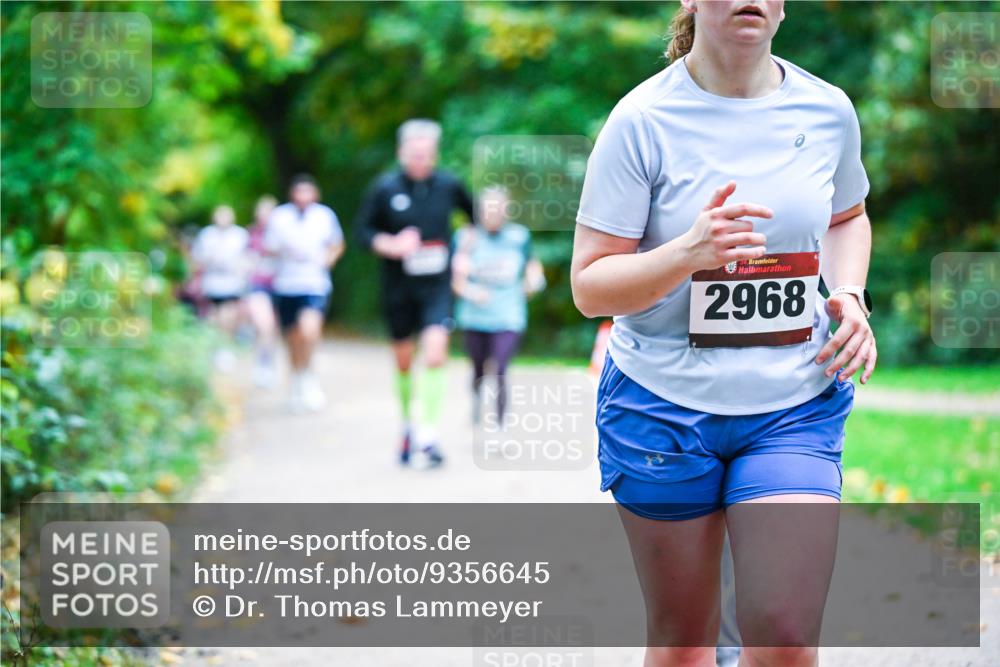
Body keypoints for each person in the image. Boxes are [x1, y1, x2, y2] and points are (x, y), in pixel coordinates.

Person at [570, 2, 876, 666]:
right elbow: (590, 285)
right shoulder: (641, 120)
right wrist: (687, 253)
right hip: (660, 406)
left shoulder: (827, 111)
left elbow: (848, 217)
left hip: (794, 403)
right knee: (685, 639)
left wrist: (848, 292)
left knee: (784, 634)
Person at [356, 119, 474, 467]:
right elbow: (362, 232)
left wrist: (463, 253)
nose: (420, 160)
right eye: (414, 154)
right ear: (401, 153)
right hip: (398, 287)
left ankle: (429, 435)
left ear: (435, 155)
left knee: (436, 353)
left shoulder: (449, 185)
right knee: (404, 361)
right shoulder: (384, 188)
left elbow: (475, 219)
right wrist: (390, 244)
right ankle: (407, 424)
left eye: (426, 154)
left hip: (436, 285)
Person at [452, 186, 545, 425]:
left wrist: (533, 282)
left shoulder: (519, 237)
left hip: (508, 315)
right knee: (479, 369)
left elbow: (532, 267)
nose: (492, 215)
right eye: (487, 209)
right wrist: (473, 292)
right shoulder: (466, 237)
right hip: (476, 316)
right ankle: (475, 399)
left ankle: (500, 426)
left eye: (498, 209)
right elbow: (457, 281)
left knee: (500, 368)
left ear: (506, 210)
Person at [266, 174, 345, 412]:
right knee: (293, 338)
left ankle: (310, 377)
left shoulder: (324, 216)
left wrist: (326, 262)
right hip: (287, 284)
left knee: (310, 331)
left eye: (307, 192)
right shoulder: (279, 217)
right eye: (298, 192)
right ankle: (297, 381)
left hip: (314, 284)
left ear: (314, 194)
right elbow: (269, 247)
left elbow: (337, 243)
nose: (303, 197)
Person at [192, 205, 249, 371]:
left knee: (229, 315)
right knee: (214, 317)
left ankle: (226, 347)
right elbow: (198, 259)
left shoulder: (239, 235)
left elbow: (245, 258)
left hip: (232, 283)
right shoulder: (207, 235)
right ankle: (217, 347)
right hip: (212, 282)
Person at [245, 195, 280, 387]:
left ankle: (267, 362)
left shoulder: (282, 233)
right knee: (264, 325)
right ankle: (263, 364)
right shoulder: (251, 234)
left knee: (272, 329)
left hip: (281, 285)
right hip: (258, 285)